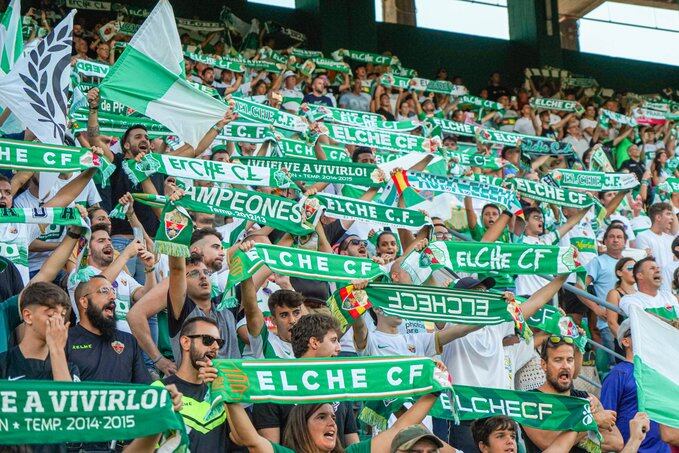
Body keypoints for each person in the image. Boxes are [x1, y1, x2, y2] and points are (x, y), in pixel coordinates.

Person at [252, 314, 359, 446]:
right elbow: (269, 448)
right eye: (333, 340)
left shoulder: (338, 384)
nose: (339, 348)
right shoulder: (274, 386)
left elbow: (352, 441)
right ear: (314, 343)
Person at [522, 336, 624, 452]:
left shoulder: (587, 398)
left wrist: (572, 434)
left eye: (569, 360)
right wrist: (592, 421)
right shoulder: (530, 401)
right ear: (544, 365)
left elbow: (617, 442)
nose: (565, 366)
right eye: (558, 360)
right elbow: (549, 444)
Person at [160, 316, 246, 452]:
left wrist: (225, 392)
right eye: (208, 340)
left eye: (219, 342)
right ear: (186, 342)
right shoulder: (159, 390)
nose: (216, 347)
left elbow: (242, 440)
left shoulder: (220, 392)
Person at [600, 319, 670, 452]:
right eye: (640, 331)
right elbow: (606, 422)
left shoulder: (659, 373)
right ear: (626, 341)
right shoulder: (618, 374)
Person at [68, 274, 151, 383]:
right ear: (84, 302)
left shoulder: (128, 341)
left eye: (113, 291)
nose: (113, 297)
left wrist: (164, 393)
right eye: (104, 291)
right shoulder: (65, 340)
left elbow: (145, 390)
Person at [0, 282, 78, 381]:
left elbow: (65, 396)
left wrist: (57, 349)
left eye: (62, 315)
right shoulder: (3, 364)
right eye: (50, 315)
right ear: (28, 316)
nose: (58, 321)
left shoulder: (69, 369)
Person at [635, 203, 678, 269]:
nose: (672, 218)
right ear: (658, 217)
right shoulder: (642, 237)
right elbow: (645, 264)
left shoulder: (670, 239)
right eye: (668, 214)